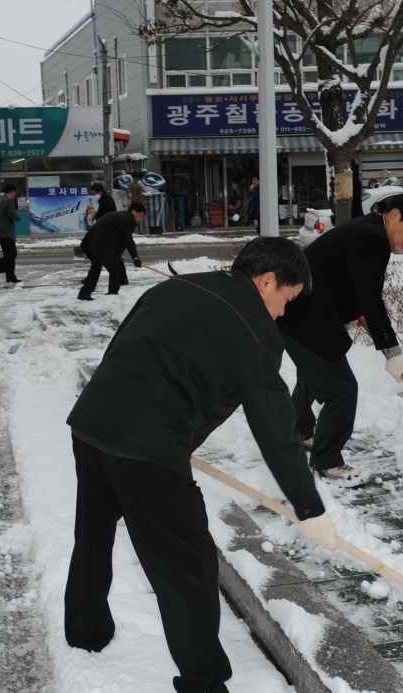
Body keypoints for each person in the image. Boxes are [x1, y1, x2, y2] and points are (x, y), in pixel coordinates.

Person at [64, 237, 335, 693]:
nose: (284, 313)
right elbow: (276, 429)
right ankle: (204, 683)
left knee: (92, 533)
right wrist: (309, 506)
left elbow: (125, 348)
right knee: (188, 571)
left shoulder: (178, 286)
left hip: (92, 423)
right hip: (147, 451)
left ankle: (85, 631)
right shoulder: (255, 332)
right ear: (267, 280)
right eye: (286, 299)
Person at [276, 191, 403, 483]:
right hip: (306, 316)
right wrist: (391, 351)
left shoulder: (369, 228)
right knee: (342, 390)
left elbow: (346, 277)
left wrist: (360, 312)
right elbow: (371, 296)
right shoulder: (372, 238)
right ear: (395, 215)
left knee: (313, 377)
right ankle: (327, 460)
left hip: (299, 311)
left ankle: (300, 431)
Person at [77, 202, 145, 300]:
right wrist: (135, 257)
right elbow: (128, 240)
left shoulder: (123, 216)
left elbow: (117, 237)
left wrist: (116, 253)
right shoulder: (127, 220)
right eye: (140, 215)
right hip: (99, 243)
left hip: (93, 241)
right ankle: (112, 295)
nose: (140, 219)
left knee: (97, 267)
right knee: (115, 267)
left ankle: (84, 294)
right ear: (133, 211)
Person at [0, 184, 21, 283]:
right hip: (7, 232)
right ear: (12, 192)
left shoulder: (0, 201)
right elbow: (11, 214)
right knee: (12, 254)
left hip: (0, 232)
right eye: (15, 193)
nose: (15, 195)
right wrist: (18, 217)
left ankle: (10, 277)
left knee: (8, 255)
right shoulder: (9, 201)